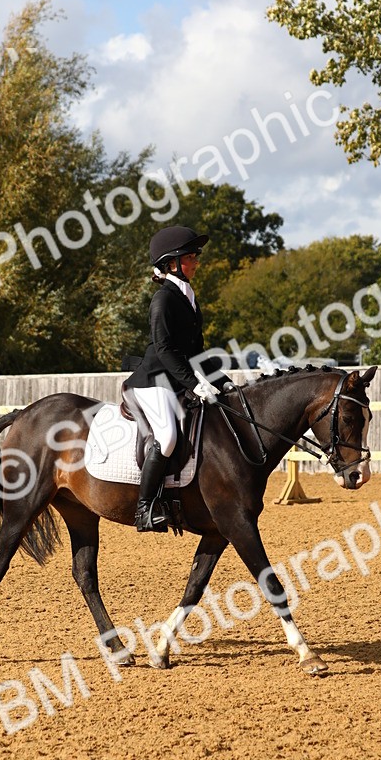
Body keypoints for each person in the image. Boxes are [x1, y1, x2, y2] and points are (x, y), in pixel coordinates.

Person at [124, 224, 228, 533]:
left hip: (174, 377)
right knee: (167, 436)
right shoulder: (163, 299)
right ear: (172, 263)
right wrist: (195, 384)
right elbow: (165, 349)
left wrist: (223, 382)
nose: (197, 260)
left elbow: (196, 351)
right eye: (191, 256)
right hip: (153, 379)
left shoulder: (189, 298)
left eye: (196, 255)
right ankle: (144, 509)